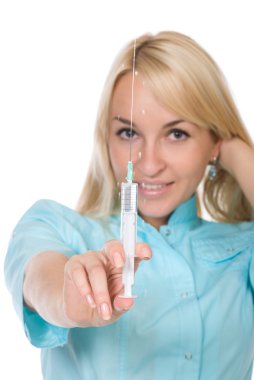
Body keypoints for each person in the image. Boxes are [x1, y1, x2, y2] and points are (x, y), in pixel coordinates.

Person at [4, 31, 254, 380]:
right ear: (105, 137)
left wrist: (234, 150)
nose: (149, 164)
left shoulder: (245, 249)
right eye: (129, 133)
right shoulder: (53, 225)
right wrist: (66, 298)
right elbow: (39, 280)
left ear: (213, 141)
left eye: (177, 133)